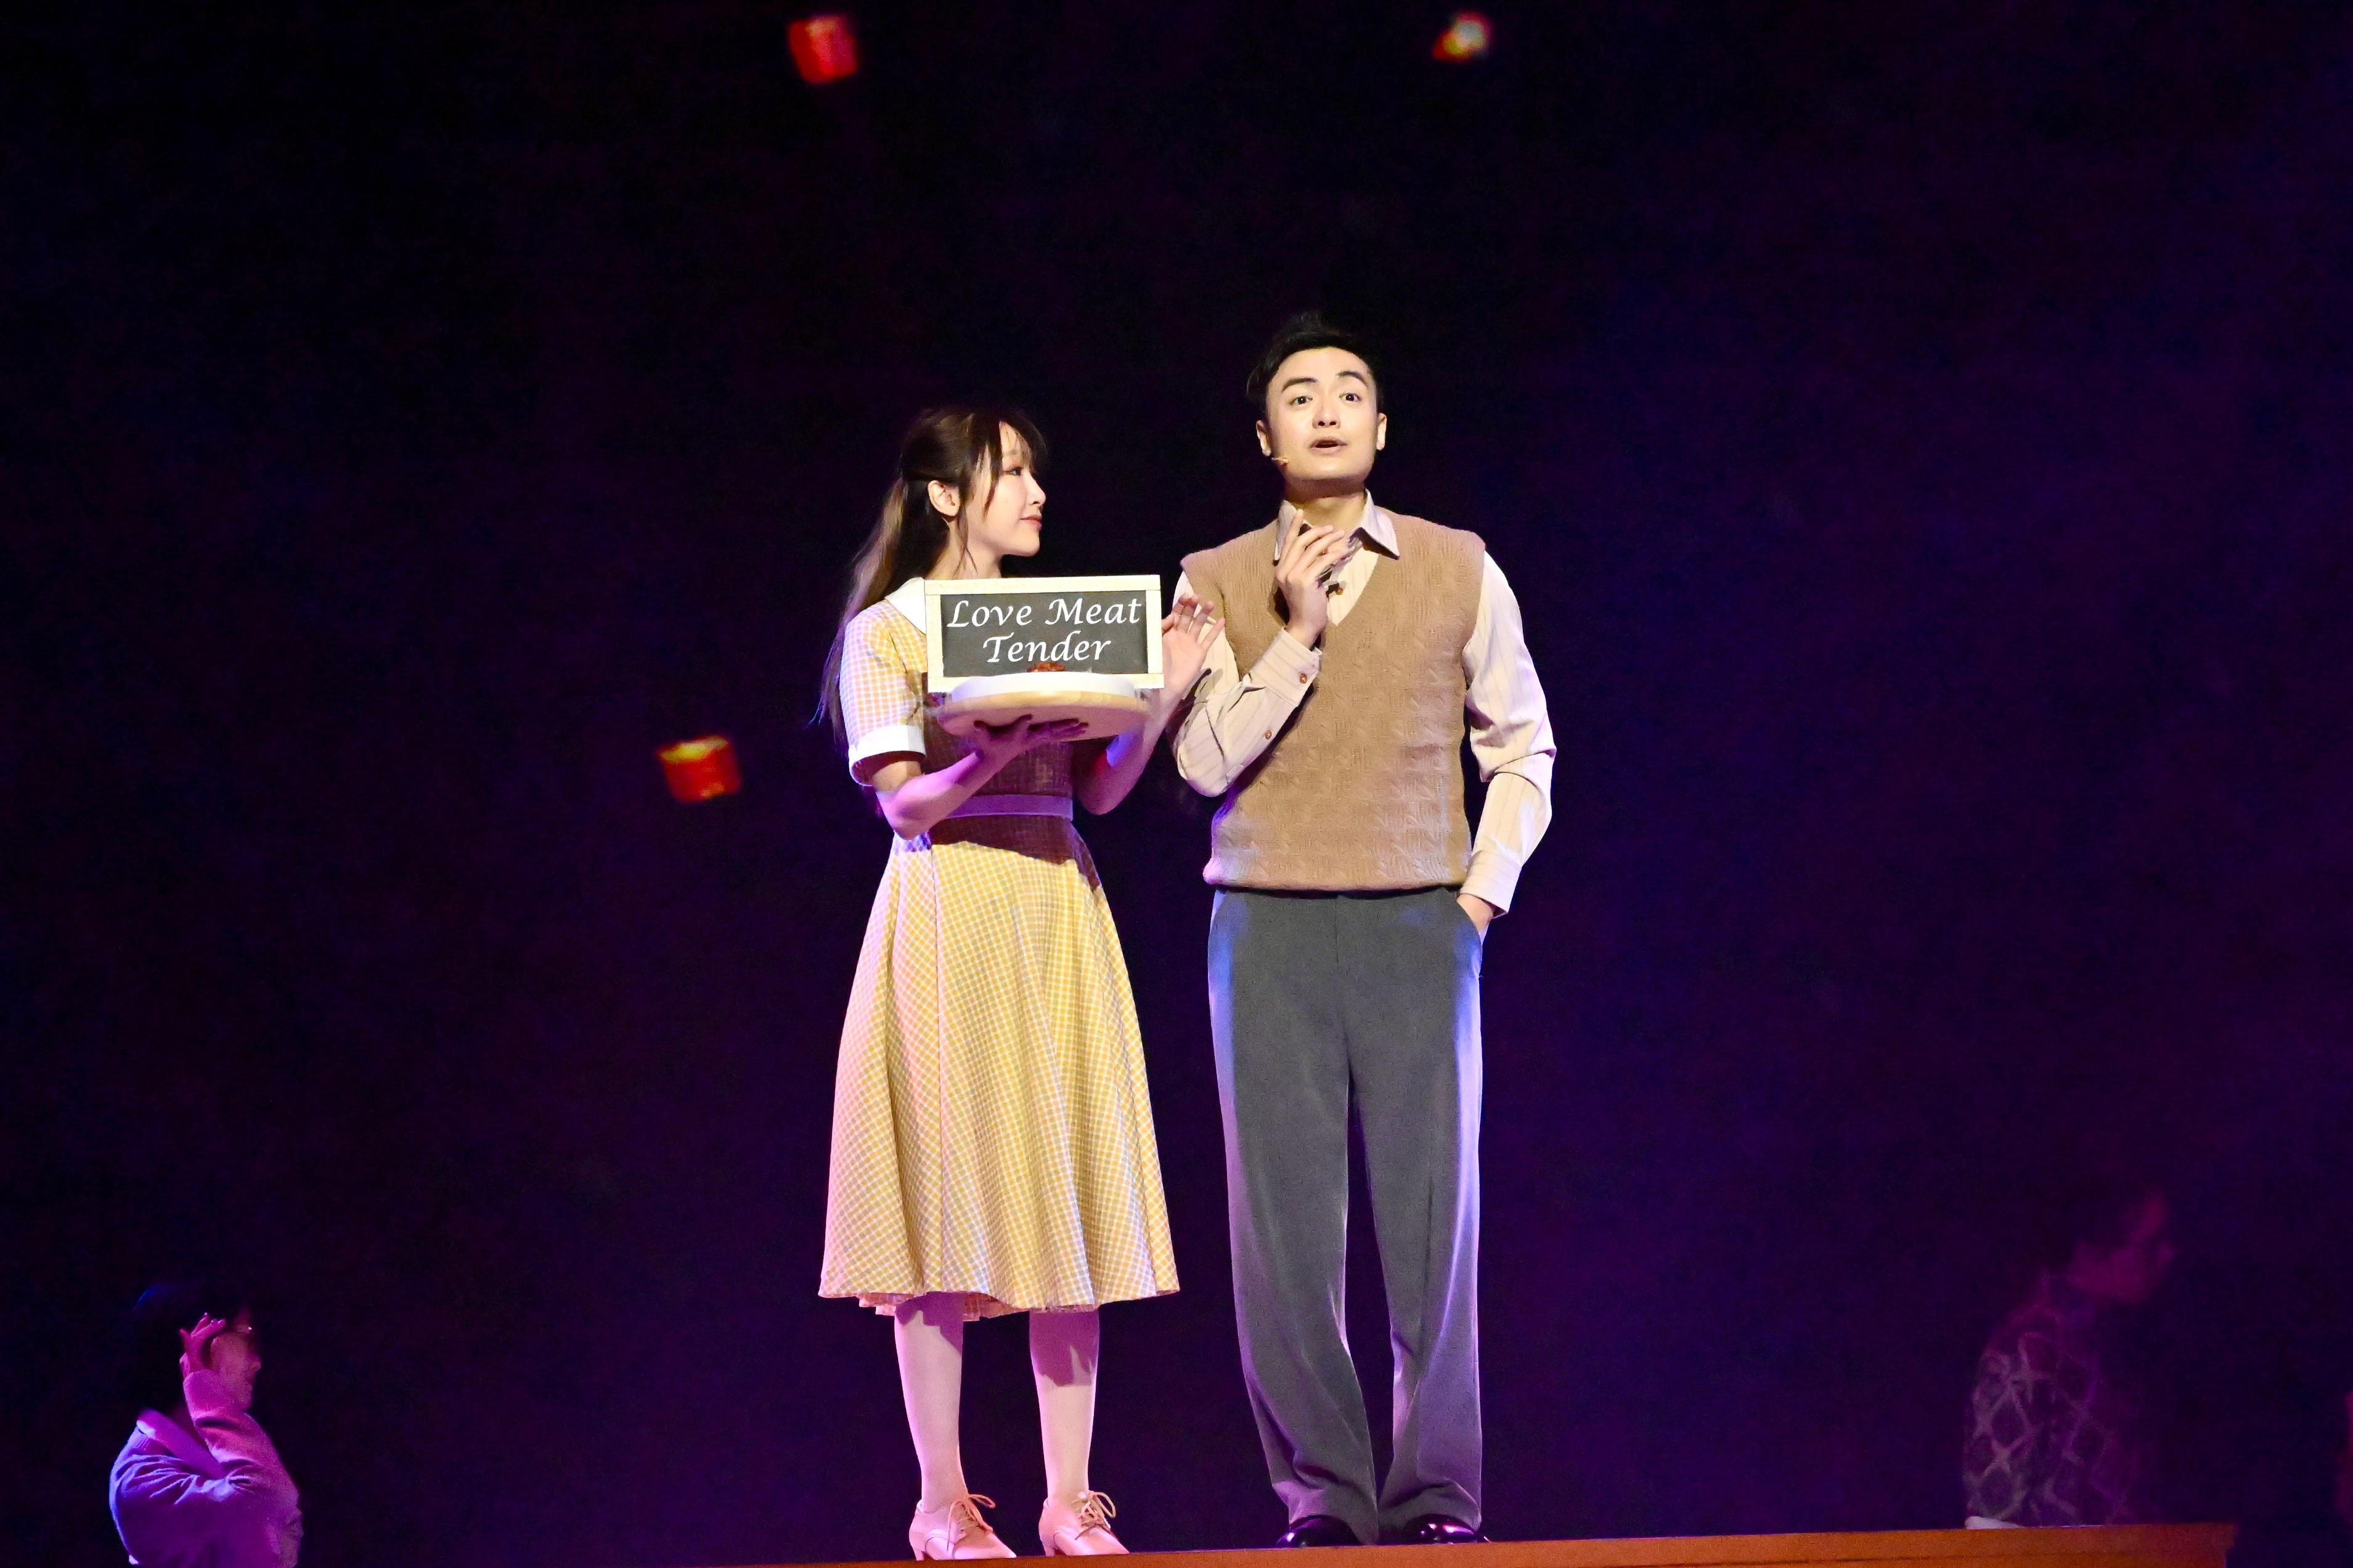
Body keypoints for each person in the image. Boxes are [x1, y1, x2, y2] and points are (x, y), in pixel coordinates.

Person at [1170, 313, 1556, 1547]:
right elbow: (1198, 762)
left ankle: (1438, 1495)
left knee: (1433, 1217)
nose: (1327, 408)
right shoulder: (1213, 577)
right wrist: (1294, 635)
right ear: (1264, 437)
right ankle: (1323, 1495)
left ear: (1381, 428)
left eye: (1349, 391)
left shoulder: (1457, 564)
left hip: (1417, 920)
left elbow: (1523, 746)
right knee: (1281, 1228)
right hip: (1264, 921)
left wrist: (1479, 893)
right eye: (1299, 394)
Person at [818, 405, 1221, 1559]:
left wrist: (1161, 691)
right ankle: (940, 1501)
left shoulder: (1050, 620)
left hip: (1052, 896)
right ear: (947, 494)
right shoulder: (888, 630)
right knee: (942, 1200)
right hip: (950, 902)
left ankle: (1068, 1498)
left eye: (1037, 472)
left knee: (1067, 1186)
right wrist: (985, 754)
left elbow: (1097, 790)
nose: (1037, 492)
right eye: (1011, 473)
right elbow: (901, 803)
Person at [1962, 1177, 2177, 1527]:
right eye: (2151, 1245)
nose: (2168, 1254)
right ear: (2094, 1250)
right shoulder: (2030, 1348)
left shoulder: (2116, 1344)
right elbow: (1993, 1524)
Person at [109, 1280, 303, 1568]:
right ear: (199, 1344)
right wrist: (204, 1389)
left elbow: (284, 1518)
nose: (257, 1362)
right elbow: (267, 1500)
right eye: (248, 1337)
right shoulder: (140, 1481)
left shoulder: (226, 1436)